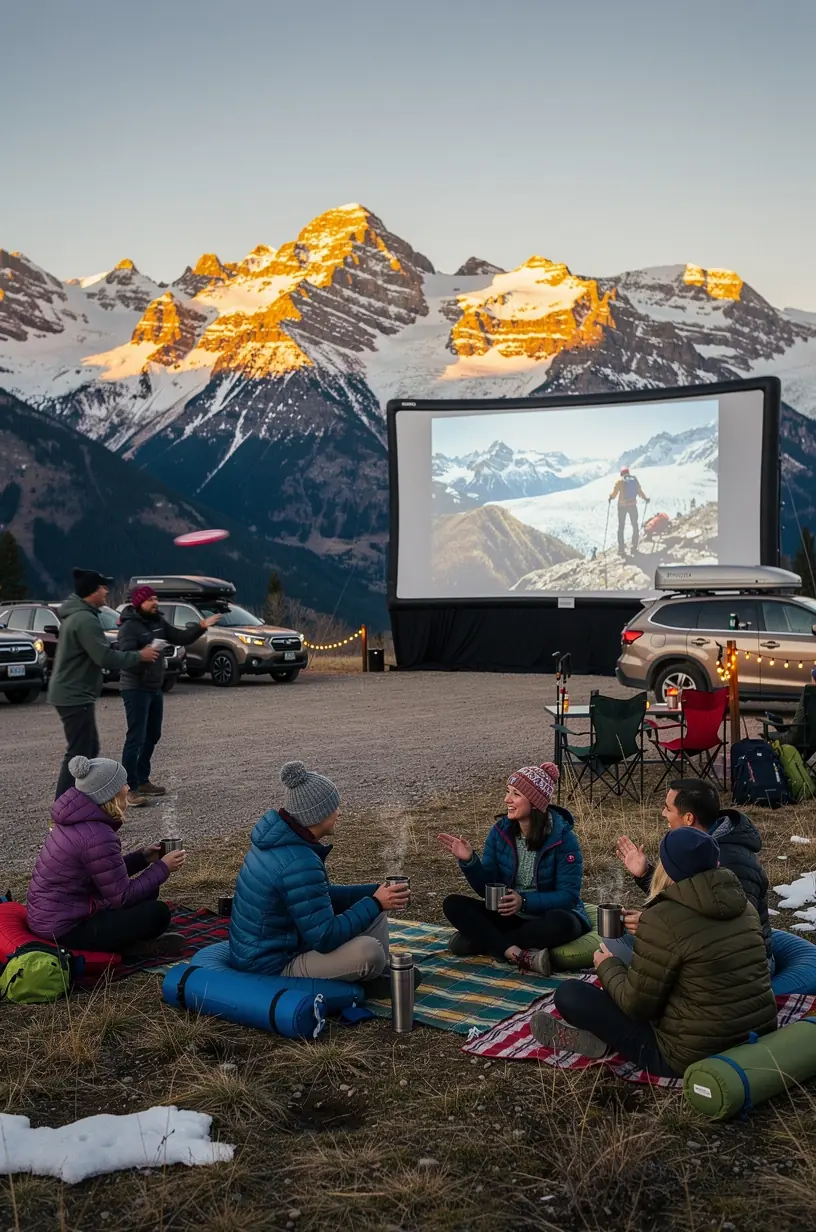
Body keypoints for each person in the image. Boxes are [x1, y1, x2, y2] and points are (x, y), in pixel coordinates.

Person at [531, 829, 777, 1076]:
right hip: (757, 1036)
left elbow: (636, 1006)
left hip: (688, 1056)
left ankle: (601, 1039)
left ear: (668, 869)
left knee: (570, 993)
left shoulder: (662, 920)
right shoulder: (744, 907)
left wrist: (606, 965)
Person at [229, 761, 417, 994]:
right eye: (334, 807)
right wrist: (376, 902)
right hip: (272, 965)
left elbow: (316, 899)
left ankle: (381, 973)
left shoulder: (281, 842)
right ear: (317, 815)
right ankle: (373, 974)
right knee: (369, 952)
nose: (339, 812)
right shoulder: (299, 861)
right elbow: (325, 937)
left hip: (273, 946)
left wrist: (374, 892)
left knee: (374, 908)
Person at [438, 762, 589, 976]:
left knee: (565, 924)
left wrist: (524, 901)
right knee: (452, 904)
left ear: (535, 802)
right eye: (508, 792)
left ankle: (486, 942)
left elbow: (568, 896)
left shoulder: (564, 839)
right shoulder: (500, 832)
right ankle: (514, 953)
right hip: (510, 916)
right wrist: (470, 862)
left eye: (515, 794)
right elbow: (487, 889)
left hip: (546, 916)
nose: (506, 800)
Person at [26, 755, 186, 955]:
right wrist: (163, 867)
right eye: (123, 784)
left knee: (149, 892)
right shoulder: (97, 835)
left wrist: (143, 857)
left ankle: (126, 943)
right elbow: (123, 897)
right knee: (158, 914)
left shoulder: (76, 821)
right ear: (109, 794)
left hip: (52, 916)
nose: (128, 788)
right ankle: (131, 949)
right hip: (66, 929)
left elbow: (104, 872)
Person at [614, 778, 772, 964]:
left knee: (622, 952)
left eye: (668, 808)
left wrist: (655, 929)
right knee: (618, 939)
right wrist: (645, 874)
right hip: (703, 950)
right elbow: (685, 898)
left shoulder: (734, 863)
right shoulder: (698, 847)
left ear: (689, 818)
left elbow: (731, 932)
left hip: (738, 963)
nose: (663, 813)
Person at [48, 568, 160, 800]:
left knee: (88, 749)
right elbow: (104, 657)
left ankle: (78, 801)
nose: (107, 591)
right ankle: (64, 805)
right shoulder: (84, 619)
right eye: (102, 587)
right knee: (79, 752)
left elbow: (100, 652)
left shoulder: (82, 615)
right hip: (73, 694)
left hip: (75, 693)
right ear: (92, 592)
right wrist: (139, 656)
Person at [116, 585, 221, 807]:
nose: (155, 602)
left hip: (154, 687)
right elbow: (124, 657)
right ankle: (129, 788)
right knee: (135, 737)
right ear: (139, 603)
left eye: (156, 598)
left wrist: (201, 626)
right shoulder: (129, 628)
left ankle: (143, 780)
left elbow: (179, 636)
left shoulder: (158, 622)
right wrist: (141, 655)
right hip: (135, 687)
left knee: (153, 734)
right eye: (150, 599)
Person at [774, 668, 816, 763]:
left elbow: (797, 730)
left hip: (801, 738)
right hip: (812, 739)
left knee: (768, 738)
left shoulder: (810, 695)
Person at [608, 467, 647, 557]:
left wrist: (610, 497)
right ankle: (634, 547)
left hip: (622, 507)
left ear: (621, 474)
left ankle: (621, 549)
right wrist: (645, 498)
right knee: (635, 525)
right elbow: (640, 492)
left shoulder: (620, 482)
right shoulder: (634, 481)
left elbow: (614, 494)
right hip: (632, 506)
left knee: (621, 527)